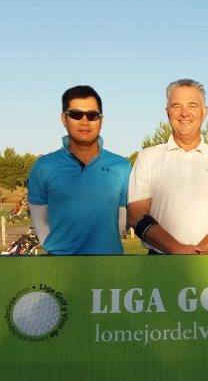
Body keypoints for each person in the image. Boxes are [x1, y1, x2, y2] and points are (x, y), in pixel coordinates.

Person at [128, 79, 208, 254]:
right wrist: (178, 250)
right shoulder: (147, 158)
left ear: (205, 112)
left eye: (192, 106)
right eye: (176, 106)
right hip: (160, 264)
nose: (184, 113)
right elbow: (137, 216)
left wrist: (199, 253)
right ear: (167, 112)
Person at [26, 85, 132, 255]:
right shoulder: (44, 167)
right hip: (61, 268)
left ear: (101, 120)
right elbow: (40, 221)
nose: (84, 121)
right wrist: (60, 252)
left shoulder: (121, 166)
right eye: (76, 114)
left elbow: (122, 221)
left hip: (109, 266)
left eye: (92, 115)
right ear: (63, 118)